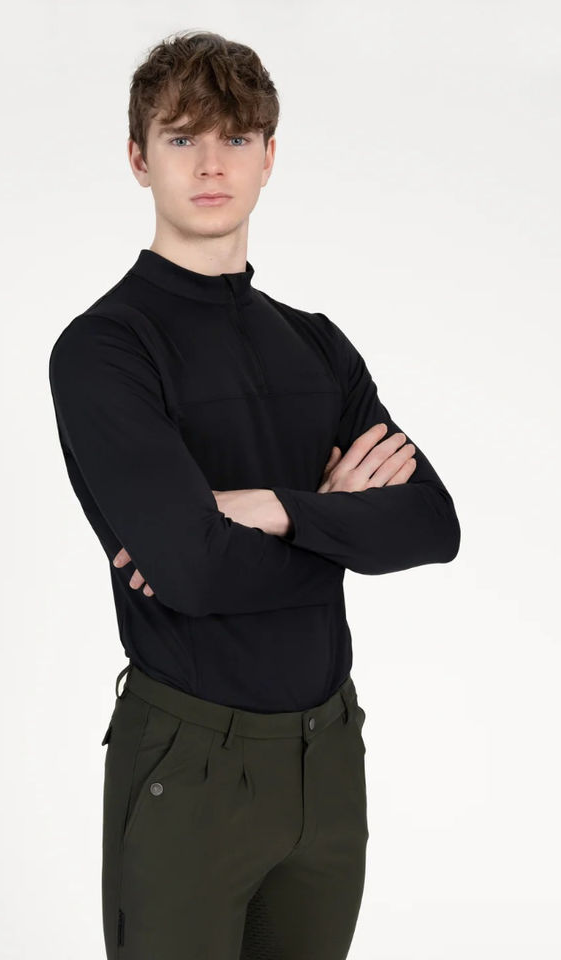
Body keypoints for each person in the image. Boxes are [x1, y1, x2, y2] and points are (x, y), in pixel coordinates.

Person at [48, 29, 460, 960]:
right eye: (181, 137)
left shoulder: (316, 343)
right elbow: (193, 572)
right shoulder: (106, 349)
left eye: (235, 138)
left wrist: (273, 507)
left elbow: (432, 524)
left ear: (269, 157)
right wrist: (341, 524)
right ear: (138, 158)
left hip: (329, 755)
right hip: (190, 762)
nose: (211, 164)